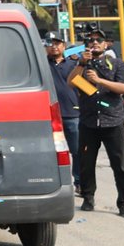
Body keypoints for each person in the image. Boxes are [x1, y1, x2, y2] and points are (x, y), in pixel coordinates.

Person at [72, 28, 124, 218]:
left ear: (106, 44)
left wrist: (99, 80)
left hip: (112, 120)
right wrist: (82, 64)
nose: (95, 43)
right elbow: (71, 83)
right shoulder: (82, 64)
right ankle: (88, 197)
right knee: (86, 163)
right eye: (91, 40)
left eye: (99, 40)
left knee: (120, 165)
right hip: (89, 121)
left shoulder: (117, 64)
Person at [45, 32, 79, 162]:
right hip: (49, 115)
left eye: (57, 43)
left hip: (72, 114)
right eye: (50, 43)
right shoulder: (41, 65)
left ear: (64, 46)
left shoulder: (73, 65)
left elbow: (84, 87)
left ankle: (78, 180)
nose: (54, 46)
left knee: (77, 151)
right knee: (52, 153)